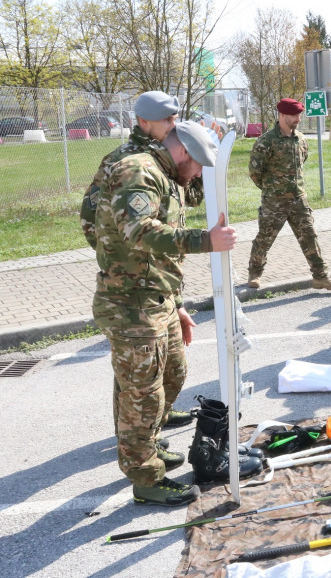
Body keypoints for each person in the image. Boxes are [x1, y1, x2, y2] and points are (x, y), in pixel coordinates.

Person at [92, 121, 237, 506]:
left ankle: (147, 446)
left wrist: (177, 303)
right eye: (198, 168)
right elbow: (137, 230)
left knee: (173, 373)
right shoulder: (141, 171)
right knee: (143, 394)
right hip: (130, 302)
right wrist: (206, 241)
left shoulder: (165, 174)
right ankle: (145, 477)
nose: (196, 178)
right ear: (184, 153)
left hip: (158, 297)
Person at [80, 90, 200, 429]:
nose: (172, 125)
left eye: (175, 118)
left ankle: (154, 417)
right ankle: (134, 433)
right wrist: (118, 256)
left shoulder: (169, 154)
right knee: (136, 372)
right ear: (143, 122)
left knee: (162, 366)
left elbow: (187, 197)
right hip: (134, 280)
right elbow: (92, 216)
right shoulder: (126, 159)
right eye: (166, 120)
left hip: (161, 277)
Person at [247, 98, 331, 291]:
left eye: (299, 115)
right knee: (264, 239)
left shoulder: (301, 139)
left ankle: (321, 276)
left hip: (299, 199)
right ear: (282, 115)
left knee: (310, 237)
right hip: (274, 201)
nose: (298, 118)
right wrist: (271, 189)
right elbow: (255, 172)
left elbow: (302, 161)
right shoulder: (266, 141)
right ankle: (254, 274)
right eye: (294, 115)